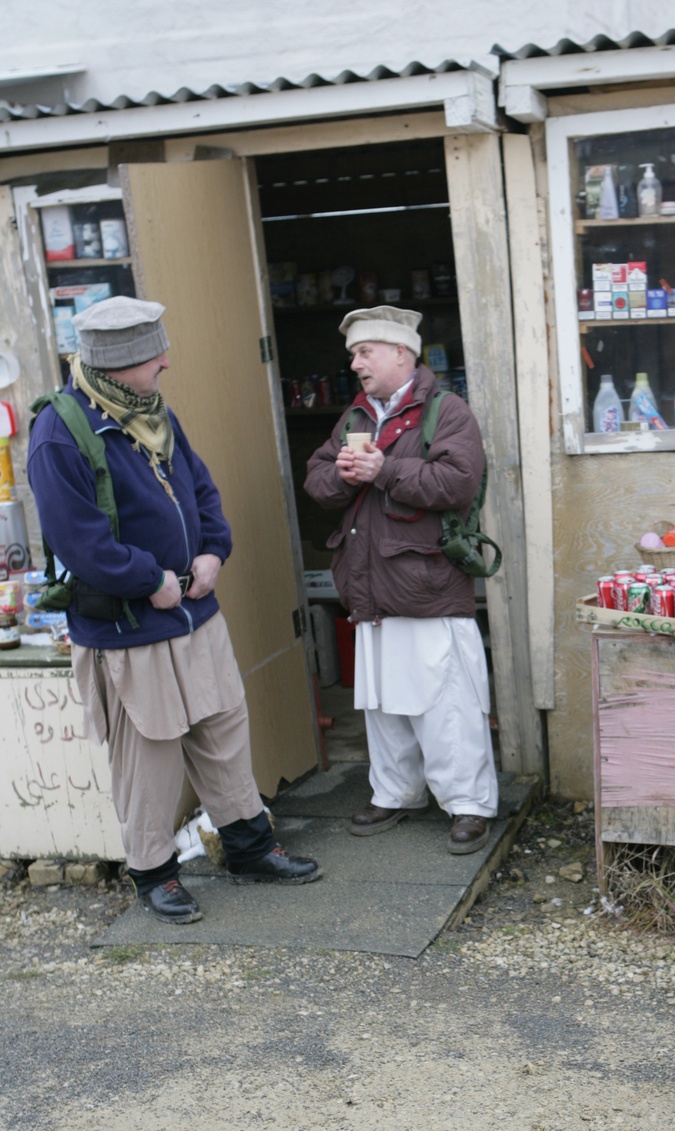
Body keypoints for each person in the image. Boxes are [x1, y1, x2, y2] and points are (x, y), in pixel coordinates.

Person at [27, 296, 321, 925]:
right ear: (117, 362)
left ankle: (248, 848)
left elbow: (201, 489)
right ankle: (155, 876)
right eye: (152, 355)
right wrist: (148, 579)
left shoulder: (153, 412)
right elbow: (79, 539)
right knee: (149, 759)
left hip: (196, 613)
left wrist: (214, 550)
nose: (166, 361)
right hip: (129, 628)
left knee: (223, 735)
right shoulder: (59, 432)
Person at [304, 306, 498, 854]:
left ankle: (468, 805)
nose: (355, 362)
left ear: (400, 353)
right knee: (382, 701)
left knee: (447, 703)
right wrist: (343, 475)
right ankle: (395, 791)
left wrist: (383, 470)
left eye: (365, 351)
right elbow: (317, 479)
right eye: (353, 354)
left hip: (428, 584)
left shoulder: (446, 411)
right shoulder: (355, 416)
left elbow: (458, 482)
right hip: (370, 585)